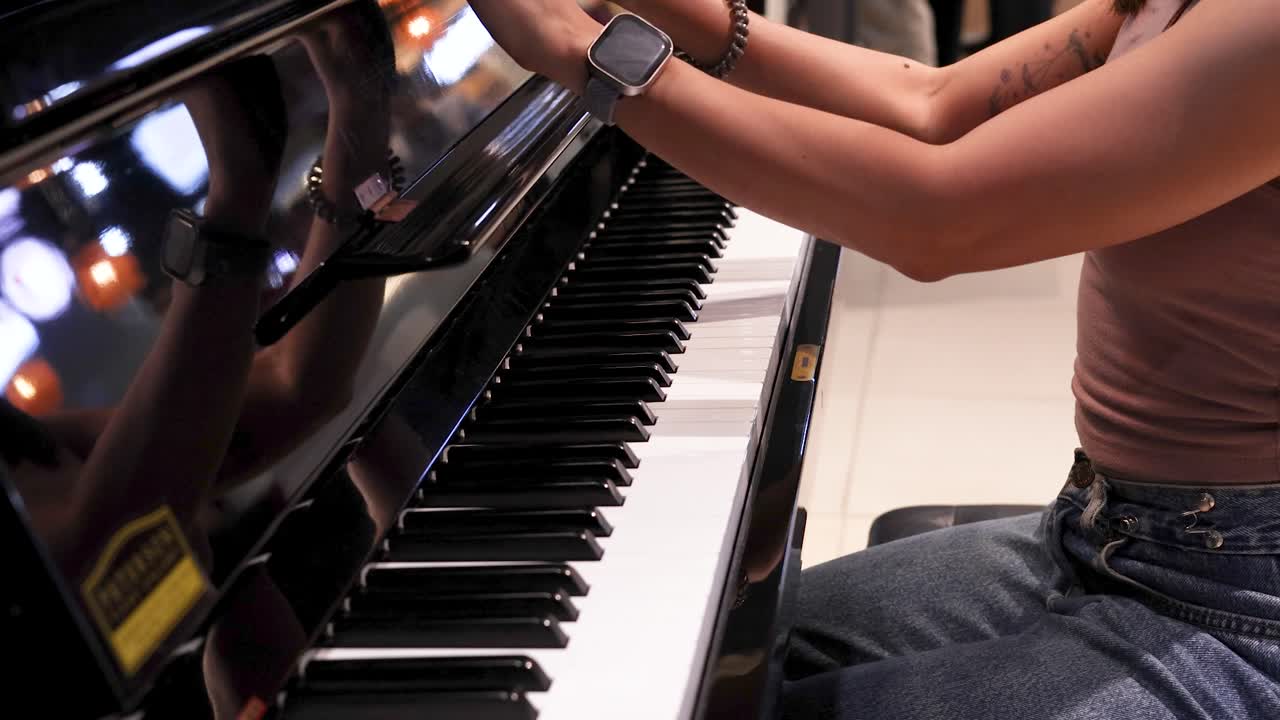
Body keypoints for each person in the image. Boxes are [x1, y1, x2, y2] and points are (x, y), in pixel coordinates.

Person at [467, 0, 1280, 717]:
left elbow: (938, 217)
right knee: (720, 654)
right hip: (1103, 532)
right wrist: (666, 13)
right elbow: (929, 103)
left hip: (1234, 608)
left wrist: (580, 50)